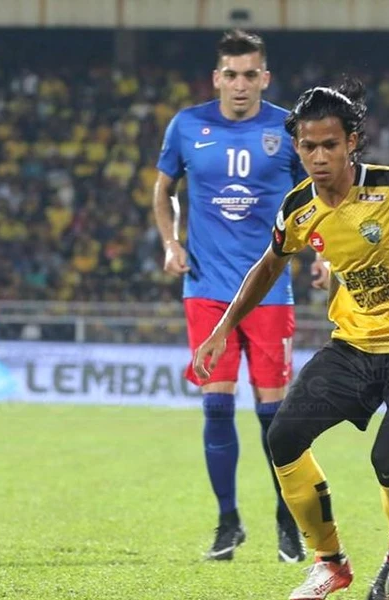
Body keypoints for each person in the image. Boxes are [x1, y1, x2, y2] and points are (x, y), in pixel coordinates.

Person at [192, 79, 389, 600]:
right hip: (354, 348)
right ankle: (330, 562)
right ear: (297, 147)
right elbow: (268, 267)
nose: (319, 157)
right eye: (308, 146)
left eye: (330, 145)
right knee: (284, 438)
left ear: (352, 142)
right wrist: (222, 328)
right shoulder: (299, 209)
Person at [153, 29, 308, 562]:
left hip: (269, 290)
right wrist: (171, 242)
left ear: (265, 78)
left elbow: (317, 195)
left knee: (273, 416)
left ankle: (287, 520)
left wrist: (326, 253)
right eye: (231, 75)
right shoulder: (187, 125)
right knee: (216, 407)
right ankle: (228, 524)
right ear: (216, 77)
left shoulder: (287, 128)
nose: (240, 85)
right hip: (206, 289)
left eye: (250, 75)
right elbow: (163, 189)